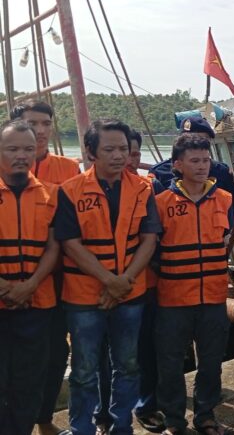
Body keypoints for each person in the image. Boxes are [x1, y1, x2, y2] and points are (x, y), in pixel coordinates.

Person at [54, 119, 161, 435]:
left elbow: (149, 239)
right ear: (90, 152)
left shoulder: (143, 189)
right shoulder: (70, 191)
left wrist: (123, 280)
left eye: (123, 149)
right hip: (83, 298)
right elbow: (70, 244)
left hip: (130, 293)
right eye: (109, 149)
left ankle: (121, 425)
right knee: (84, 370)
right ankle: (81, 429)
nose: (118, 156)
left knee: (127, 365)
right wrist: (110, 280)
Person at [155, 134, 233, 435]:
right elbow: (152, 248)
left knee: (212, 363)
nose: (202, 166)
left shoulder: (224, 200)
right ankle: (175, 420)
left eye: (205, 160)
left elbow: (226, 241)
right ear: (178, 165)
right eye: (194, 161)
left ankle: (206, 415)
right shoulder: (161, 203)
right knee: (171, 364)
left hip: (212, 298)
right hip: (173, 300)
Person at [11, 101, 80, 435]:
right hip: (9, 285)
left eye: (45, 123)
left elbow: (73, 228)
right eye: (31, 124)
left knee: (54, 354)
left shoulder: (68, 169)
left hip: (56, 284)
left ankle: (44, 420)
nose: (40, 131)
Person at [95, 129, 165, 434]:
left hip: (143, 287)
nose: (128, 159)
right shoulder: (89, 190)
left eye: (134, 153)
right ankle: (104, 414)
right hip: (101, 288)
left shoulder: (150, 188)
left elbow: (155, 241)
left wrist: (127, 279)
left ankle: (145, 405)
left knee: (144, 352)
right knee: (104, 357)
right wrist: (111, 282)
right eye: (123, 151)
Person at [0, 120, 60, 435]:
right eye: (12, 149)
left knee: (28, 381)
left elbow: (53, 247)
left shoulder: (51, 195)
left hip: (37, 305)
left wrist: (30, 285)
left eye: (28, 148)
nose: (21, 155)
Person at [149, 116, 234, 197]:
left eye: (205, 140)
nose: (198, 143)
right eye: (192, 139)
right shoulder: (159, 172)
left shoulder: (221, 171)